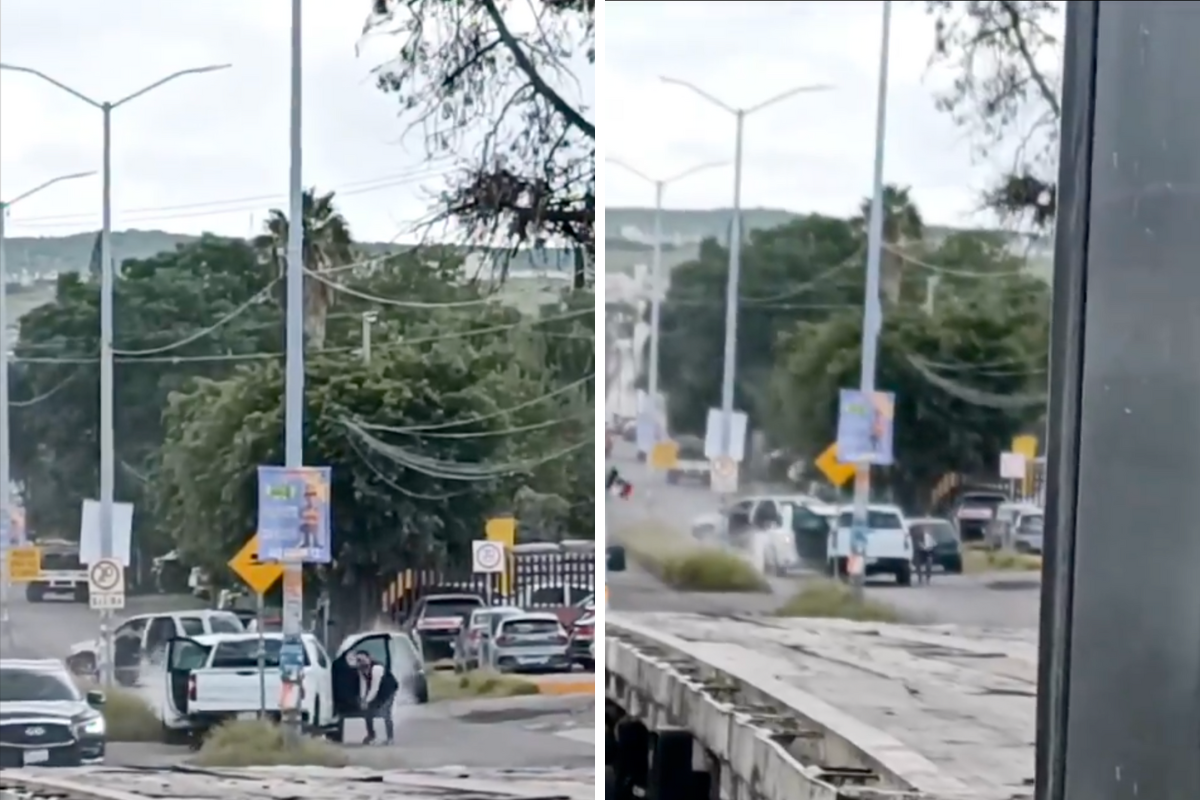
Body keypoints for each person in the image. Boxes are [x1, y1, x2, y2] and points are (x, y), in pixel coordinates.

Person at [355, 651, 398, 745]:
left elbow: (374, 688)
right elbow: (363, 685)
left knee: (385, 712)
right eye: (358, 660)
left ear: (369, 658)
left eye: (363, 659)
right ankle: (371, 735)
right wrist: (363, 699)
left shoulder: (376, 668)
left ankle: (390, 738)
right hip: (377, 690)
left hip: (388, 689)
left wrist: (367, 701)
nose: (361, 662)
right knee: (368, 712)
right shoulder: (361, 671)